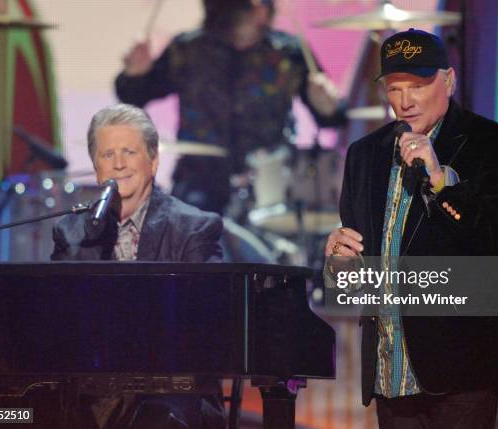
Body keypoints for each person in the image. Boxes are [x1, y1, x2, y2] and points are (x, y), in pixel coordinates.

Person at [324, 29, 498, 428]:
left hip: (463, 365)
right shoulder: (365, 154)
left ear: (448, 80)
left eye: (418, 85)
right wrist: (338, 261)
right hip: (391, 364)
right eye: (395, 88)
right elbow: (359, 272)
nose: (405, 101)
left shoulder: (491, 144)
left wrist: (440, 179)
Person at [51, 104, 225, 429]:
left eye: (129, 152)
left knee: (154, 419)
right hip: (90, 391)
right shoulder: (71, 232)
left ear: (154, 160)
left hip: (170, 391)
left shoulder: (194, 228)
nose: (118, 164)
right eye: (107, 155)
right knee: (11, 412)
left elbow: (206, 327)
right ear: (95, 166)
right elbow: (59, 323)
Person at [115, 0, 346, 215]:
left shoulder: (288, 52)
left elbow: (331, 118)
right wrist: (135, 74)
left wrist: (327, 106)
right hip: (199, 180)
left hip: (270, 185)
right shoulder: (187, 50)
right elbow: (134, 95)